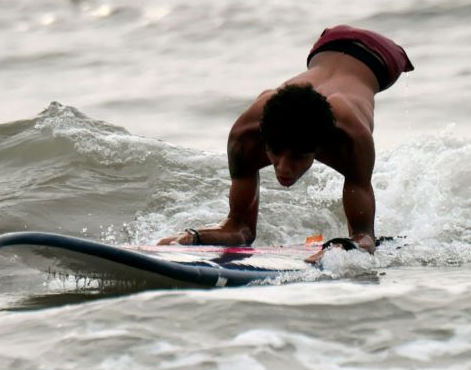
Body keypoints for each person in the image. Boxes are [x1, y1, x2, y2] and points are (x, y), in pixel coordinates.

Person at [158, 24, 414, 263]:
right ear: (263, 140)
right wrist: (193, 237)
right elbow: (240, 228)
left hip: (382, 57)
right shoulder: (244, 134)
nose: (283, 168)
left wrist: (337, 249)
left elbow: (365, 237)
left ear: (320, 146)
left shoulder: (352, 136)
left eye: (298, 157)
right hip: (328, 42)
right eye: (275, 153)